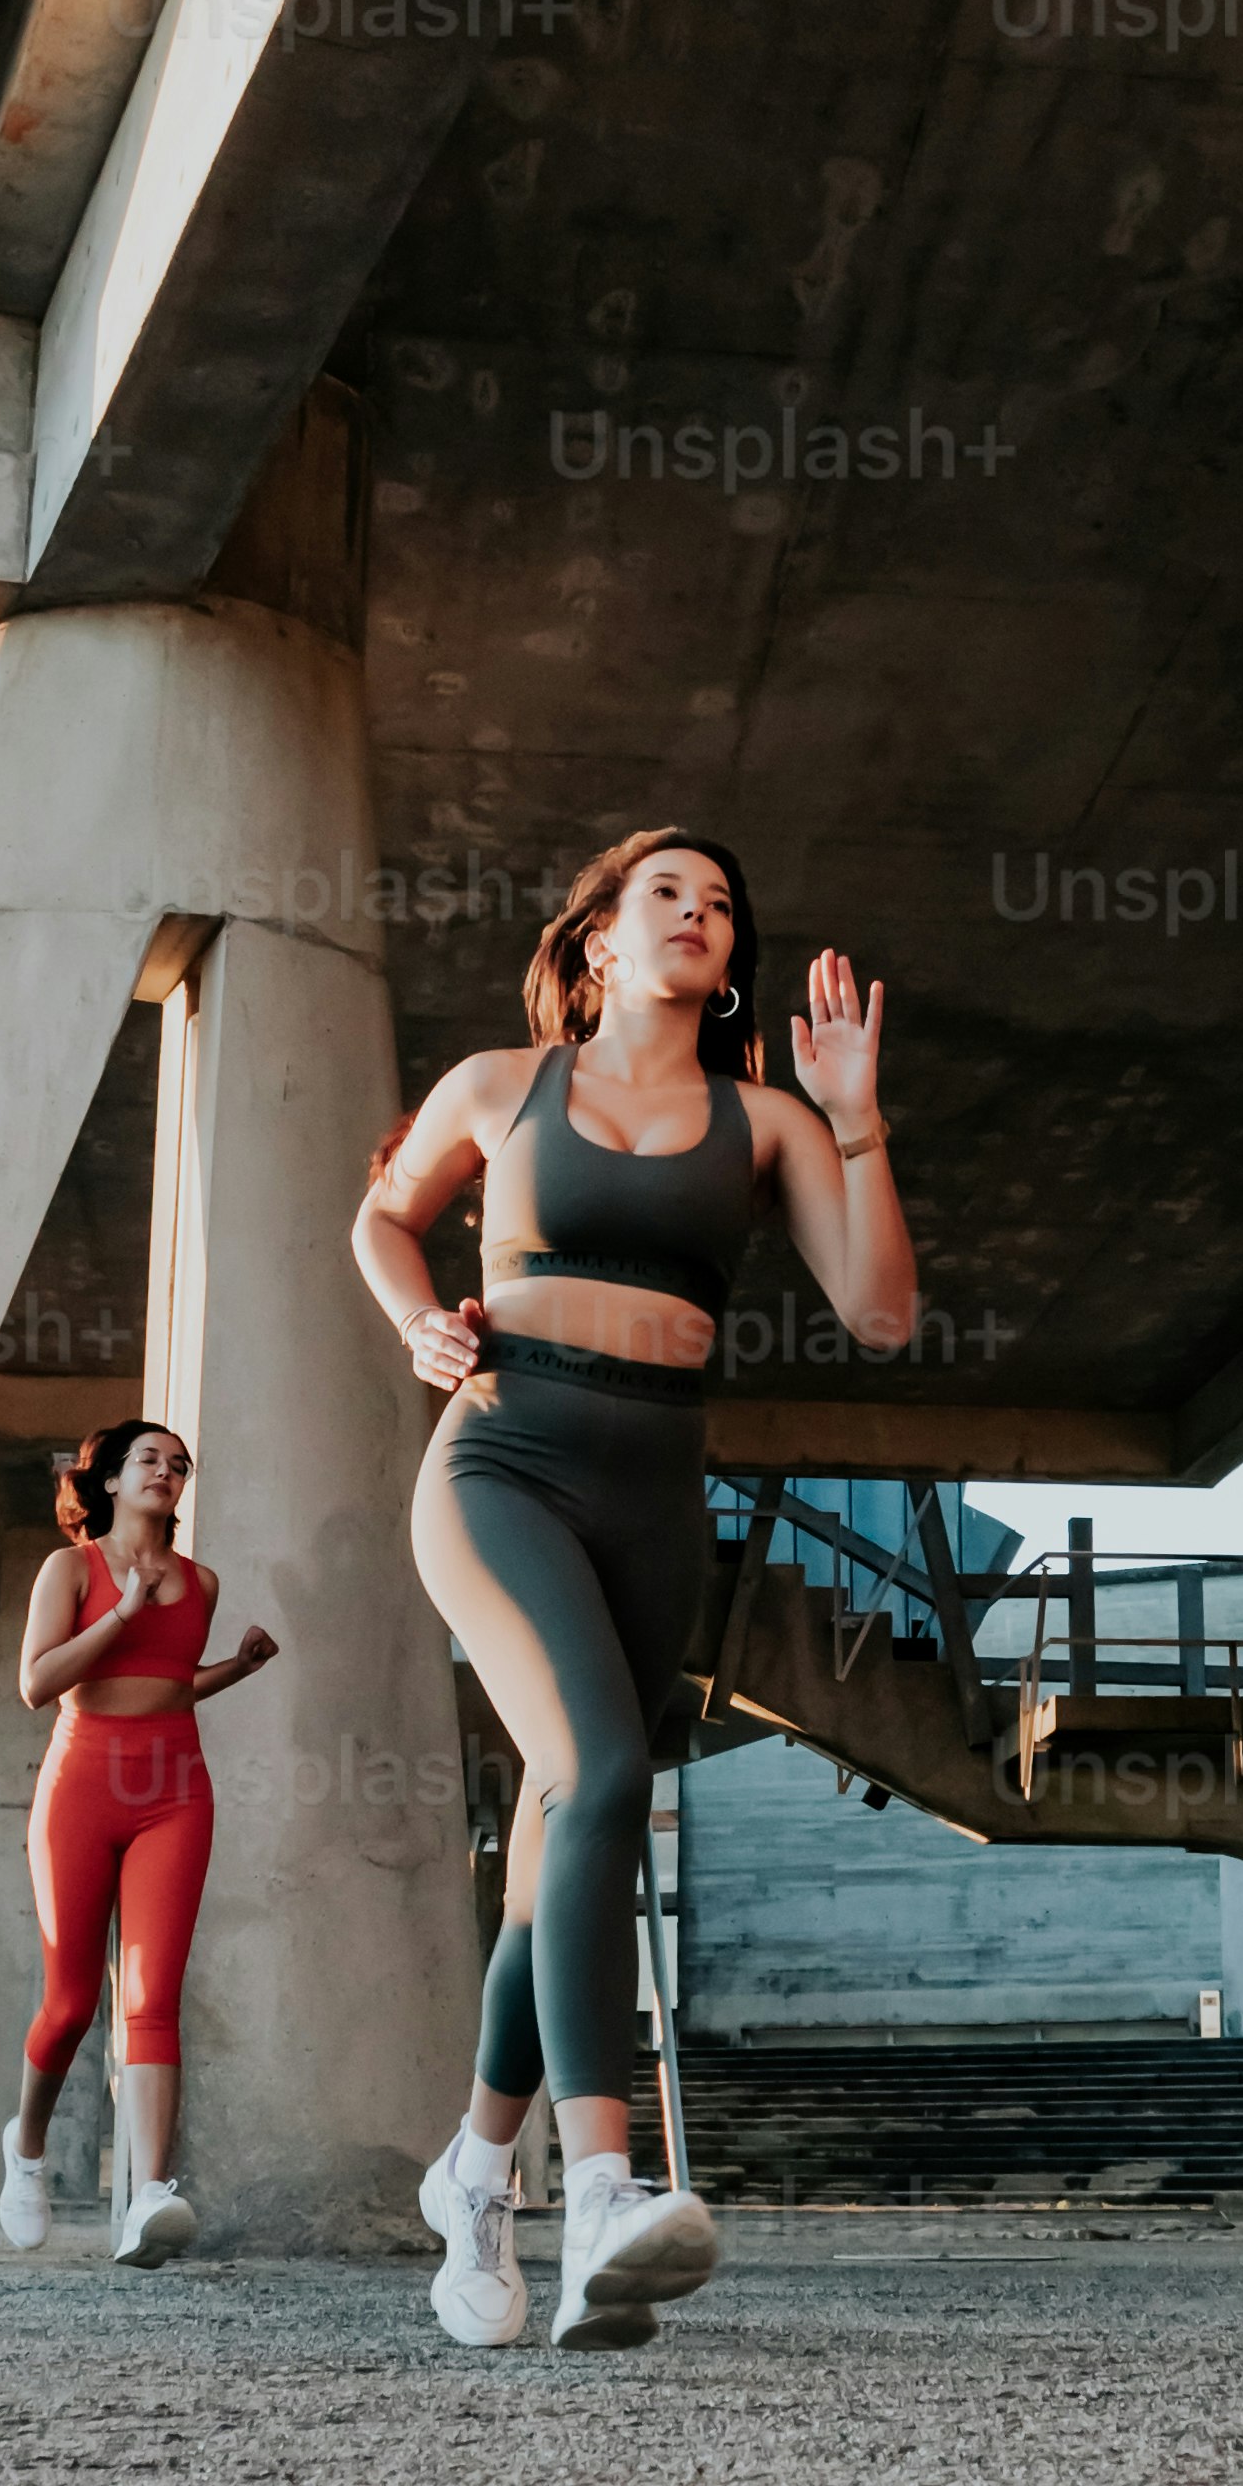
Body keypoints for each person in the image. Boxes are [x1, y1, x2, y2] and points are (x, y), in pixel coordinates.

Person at [354, 832, 914, 2350]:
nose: (697, 914)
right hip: (500, 1464)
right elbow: (382, 1214)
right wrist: (417, 1322)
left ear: (727, 962)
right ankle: (597, 2186)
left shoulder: (771, 1121)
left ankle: (472, 2176)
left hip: (656, 1495)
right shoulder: (499, 1085)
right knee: (598, 1774)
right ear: (596, 937)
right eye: (664, 893)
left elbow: (872, 1314)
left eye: (721, 904)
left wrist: (855, 1124)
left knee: (569, 1840)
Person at [3, 1415, 279, 2265]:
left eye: (178, 1463)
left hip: (174, 1791)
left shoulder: (202, 1581)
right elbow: (37, 1683)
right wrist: (120, 1611)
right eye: (148, 1460)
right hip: (82, 1786)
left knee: (151, 1999)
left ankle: (150, 2194)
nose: (167, 1471)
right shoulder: (69, 1568)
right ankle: (28, 2148)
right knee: (69, 2005)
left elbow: (165, 1685)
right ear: (110, 1482)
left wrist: (235, 1668)